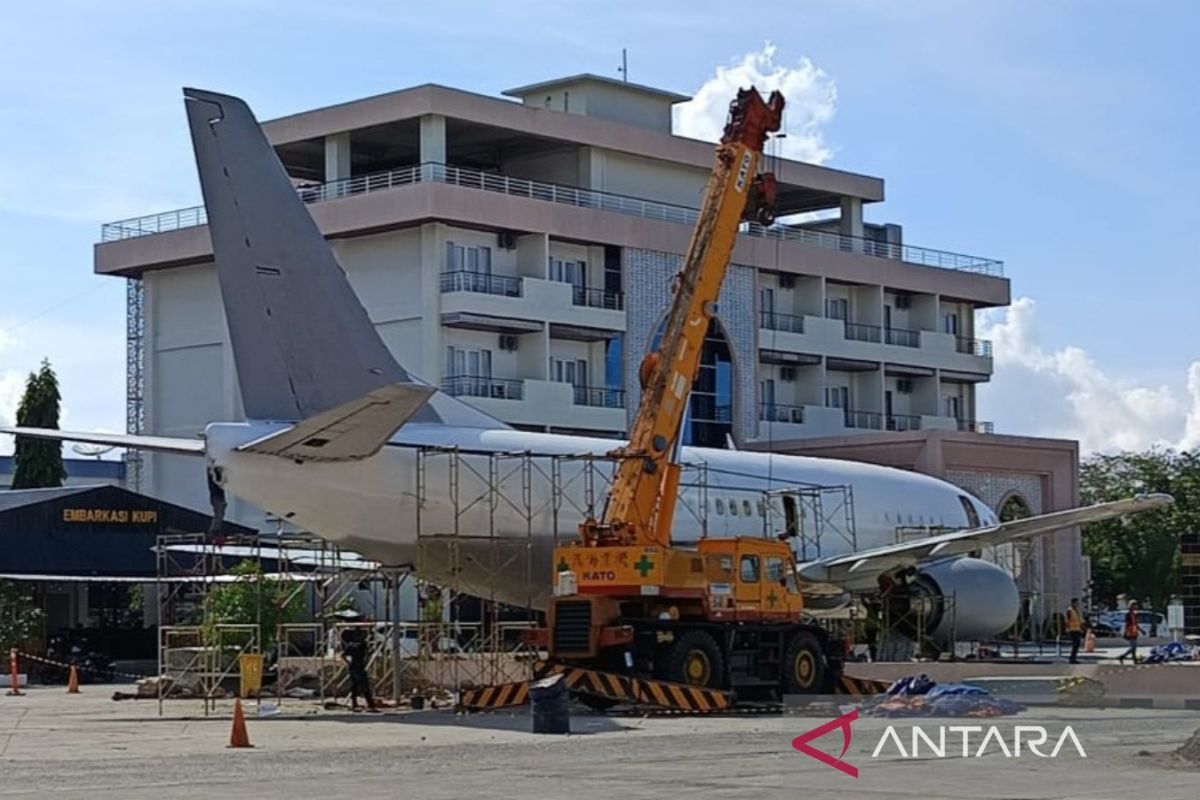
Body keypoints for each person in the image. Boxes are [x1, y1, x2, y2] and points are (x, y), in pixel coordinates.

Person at [337, 610, 377, 712]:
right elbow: (344, 653)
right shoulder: (350, 637)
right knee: (362, 684)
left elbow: (345, 653)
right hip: (356, 665)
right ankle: (369, 705)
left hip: (356, 664)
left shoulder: (355, 638)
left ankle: (358, 704)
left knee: (355, 684)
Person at [1065, 598, 1084, 664]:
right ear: (1072, 603)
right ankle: (1072, 659)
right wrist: (1067, 629)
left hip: (1077, 629)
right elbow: (1067, 620)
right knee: (1075, 644)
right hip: (1072, 630)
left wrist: (1081, 627)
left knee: (1077, 644)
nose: (1077, 604)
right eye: (1076, 603)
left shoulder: (1076, 610)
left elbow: (1079, 620)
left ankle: (1073, 658)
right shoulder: (1070, 611)